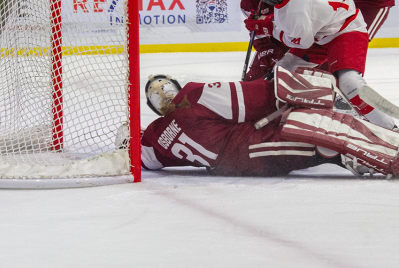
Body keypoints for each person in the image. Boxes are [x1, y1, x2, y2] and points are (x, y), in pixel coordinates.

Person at [247, 0, 397, 131]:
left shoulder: (295, 9)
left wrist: (267, 27)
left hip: (346, 28)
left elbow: (300, 40)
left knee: (349, 82)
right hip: (321, 28)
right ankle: (278, 117)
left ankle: (390, 128)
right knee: (282, 71)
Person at [137, 72, 399, 178]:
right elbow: (257, 96)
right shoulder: (194, 95)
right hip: (253, 148)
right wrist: (314, 93)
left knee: (313, 131)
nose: (162, 93)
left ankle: (343, 153)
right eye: (158, 92)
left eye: (163, 88)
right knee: (319, 131)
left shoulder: (155, 135)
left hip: (239, 162)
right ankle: (363, 156)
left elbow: (143, 159)